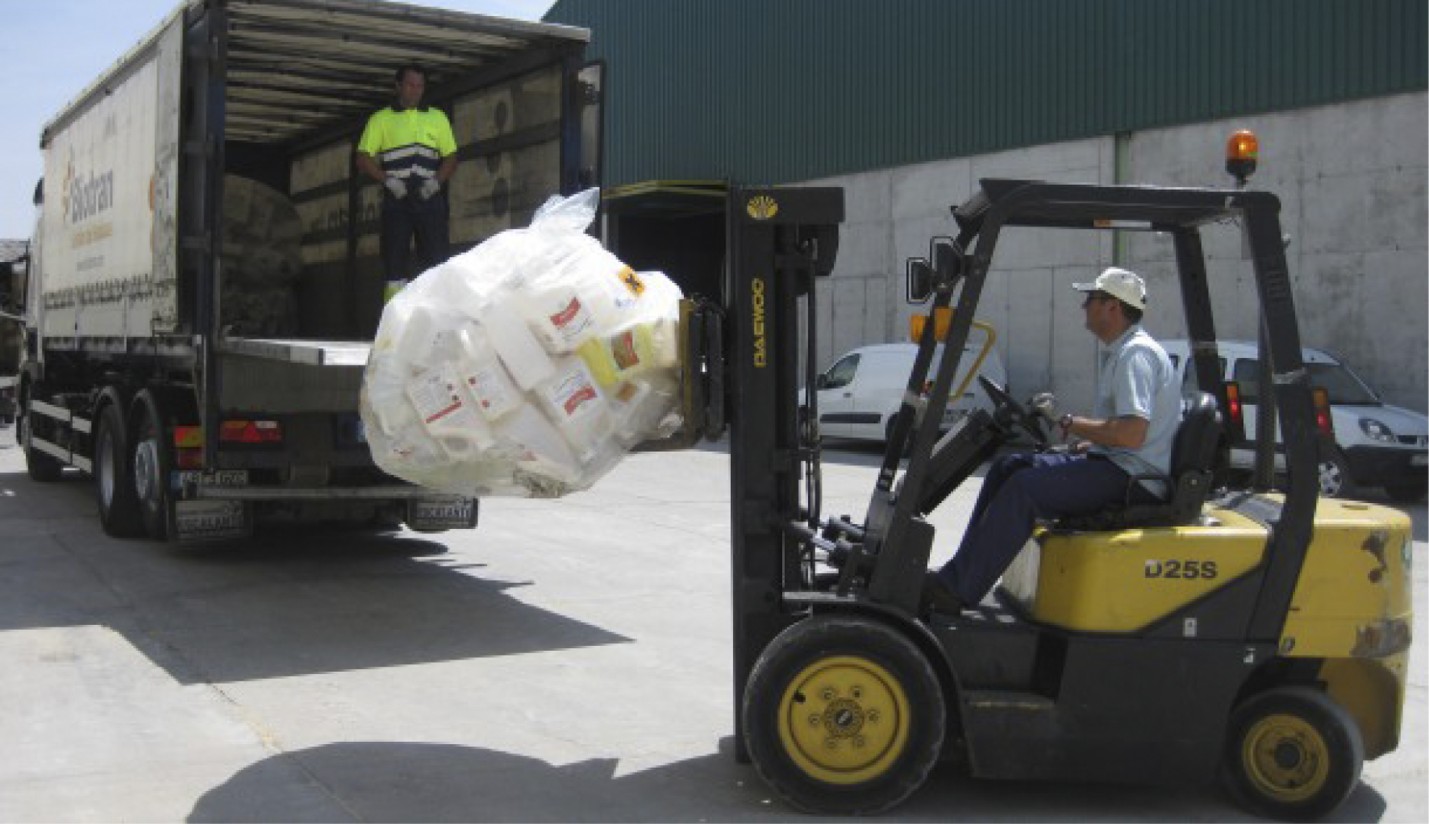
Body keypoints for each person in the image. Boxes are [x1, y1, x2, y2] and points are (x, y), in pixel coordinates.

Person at [923, 266, 1182, 614]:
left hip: (1132, 478)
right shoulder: (1123, 352)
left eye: (1090, 299)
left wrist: (1072, 424)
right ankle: (958, 574)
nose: (1084, 307)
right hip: (1120, 463)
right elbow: (1133, 433)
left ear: (1113, 307)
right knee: (1007, 467)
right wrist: (1088, 443)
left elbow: (1132, 433)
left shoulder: (1135, 355)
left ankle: (959, 590)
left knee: (1025, 489)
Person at [356, 64, 460, 303]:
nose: (416, 90)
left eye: (420, 86)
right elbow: (363, 157)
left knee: (437, 261)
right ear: (398, 86)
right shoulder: (381, 119)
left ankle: (436, 319)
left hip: (429, 195)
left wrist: (436, 182)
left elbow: (451, 157)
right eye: (411, 85)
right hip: (397, 198)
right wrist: (388, 180)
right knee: (394, 262)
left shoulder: (437, 117)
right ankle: (394, 326)